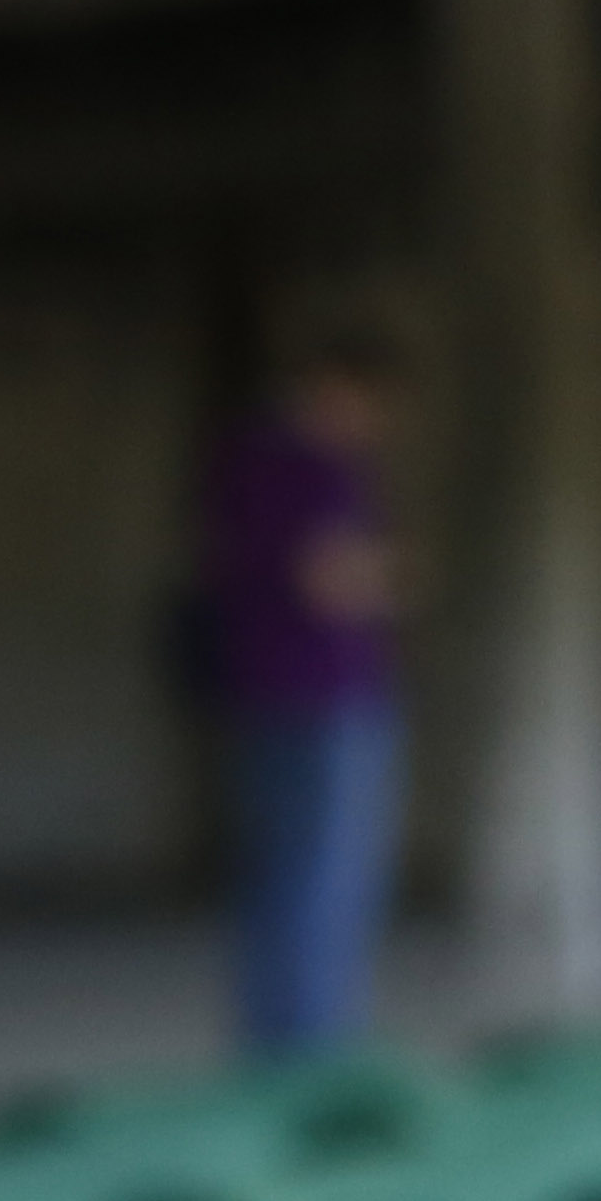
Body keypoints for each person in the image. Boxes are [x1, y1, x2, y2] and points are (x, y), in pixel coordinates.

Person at [198, 339, 407, 1053]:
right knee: (330, 877)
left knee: (279, 874)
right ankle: (319, 1046)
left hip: (259, 693)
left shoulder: (240, 461)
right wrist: (391, 576)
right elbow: (333, 584)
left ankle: (272, 1040)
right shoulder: (323, 471)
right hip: (330, 695)